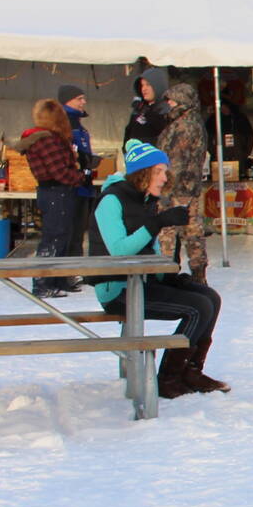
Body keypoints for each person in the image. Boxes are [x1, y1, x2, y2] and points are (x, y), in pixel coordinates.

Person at [92, 141, 228, 398]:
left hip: (140, 283)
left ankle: (191, 370)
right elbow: (119, 251)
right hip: (117, 290)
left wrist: (168, 277)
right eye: (159, 171)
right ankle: (168, 378)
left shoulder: (144, 200)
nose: (165, 178)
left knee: (210, 297)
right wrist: (158, 223)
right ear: (142, 173)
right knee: (198, 308)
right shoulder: (111, 201)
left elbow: (149, 252)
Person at [19, 98, 90, 297]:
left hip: (54, 192)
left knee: (62, 237)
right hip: (56, 192)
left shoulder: (43, 138)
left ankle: (58, 279)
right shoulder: (47, 140)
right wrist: (81, 176)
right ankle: (43, 283)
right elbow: (59, 172)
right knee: (53, 239)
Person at [155, 83, 212, 284]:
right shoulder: (193, 122)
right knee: (193, 232)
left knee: (169, 232)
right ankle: (198, 274)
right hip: (189, 188)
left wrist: (163, 189)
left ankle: (164, 274)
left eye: (171, 100)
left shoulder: (183, 126)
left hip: (175, 190)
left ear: (181, 102)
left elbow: (175, 162)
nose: (168, 104)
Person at [58, 87, 102, 257]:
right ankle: (66, 275)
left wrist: (89, 161)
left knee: (78, 234)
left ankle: (72, 274)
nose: (83, 102)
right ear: (67, 101)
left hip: (84, 185)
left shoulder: (78, 125)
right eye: (79, 98)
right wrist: (83, 160)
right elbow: (66, 153)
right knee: (70, 234)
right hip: (72, 187)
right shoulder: (64, 123)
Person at [124, 72, 171, 147]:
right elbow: (129, 131)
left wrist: (145, 111)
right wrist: (125, 149)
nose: (144, 89)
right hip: (135, 155)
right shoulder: (139, 107)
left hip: (154, 155)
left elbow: (163, 130)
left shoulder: (166, 109)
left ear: (158, 86)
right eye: (142, 85)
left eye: (148, 85)